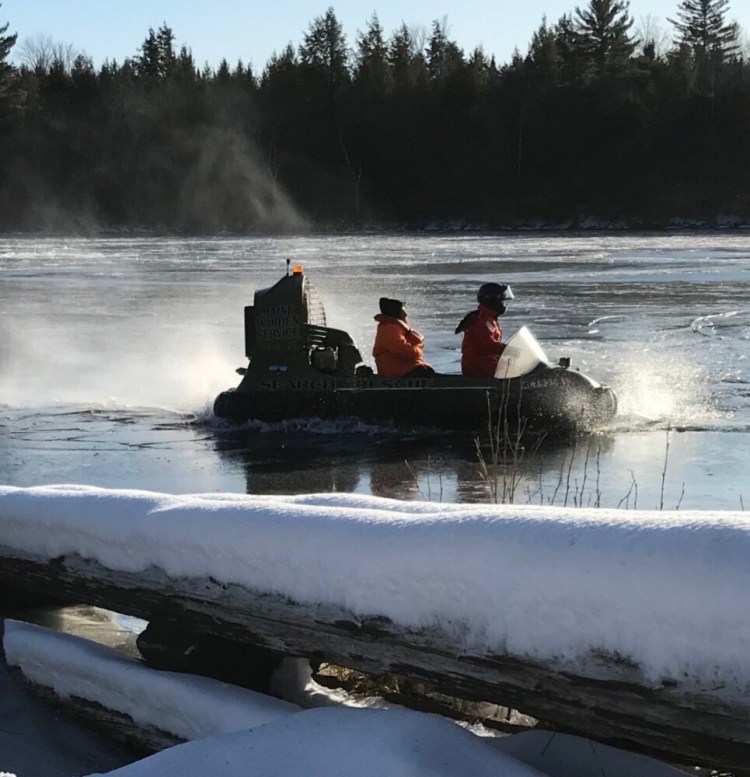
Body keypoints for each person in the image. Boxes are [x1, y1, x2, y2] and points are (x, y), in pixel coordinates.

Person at [454, 282, 514, 378]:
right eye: (501, 301)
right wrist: (506, 349)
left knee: (513, 366)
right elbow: (486, 344)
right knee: (511, 369)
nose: (503, 305)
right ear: (493, 301)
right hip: (478, 366)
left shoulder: (489, 318)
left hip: (486, 362)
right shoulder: (482, 320)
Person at [372, 297, 435, 378]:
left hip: (405, 369)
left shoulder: (395, 327)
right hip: (399, 372)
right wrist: (418, 350)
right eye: (403, 311)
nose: (406, 314)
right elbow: (405, 352)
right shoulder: (389, 328)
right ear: (396, 313)